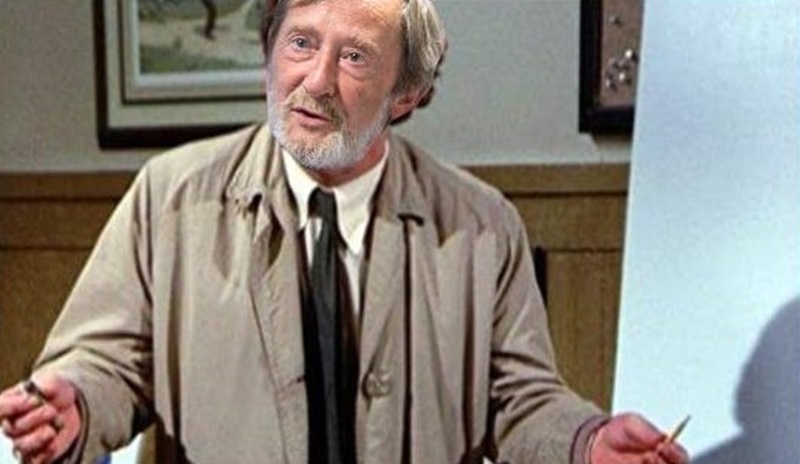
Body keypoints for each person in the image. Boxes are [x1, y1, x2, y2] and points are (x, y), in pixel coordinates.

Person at [0, 0, 690, 463]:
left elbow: (520, 401)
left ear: (406, 94)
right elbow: (112, 363)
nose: (317, 81)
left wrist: (584, 443)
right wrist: (75, 406)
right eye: (301, 43)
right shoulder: (171, 199)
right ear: (269, 52)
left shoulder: (480, 226)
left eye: (355, 57)